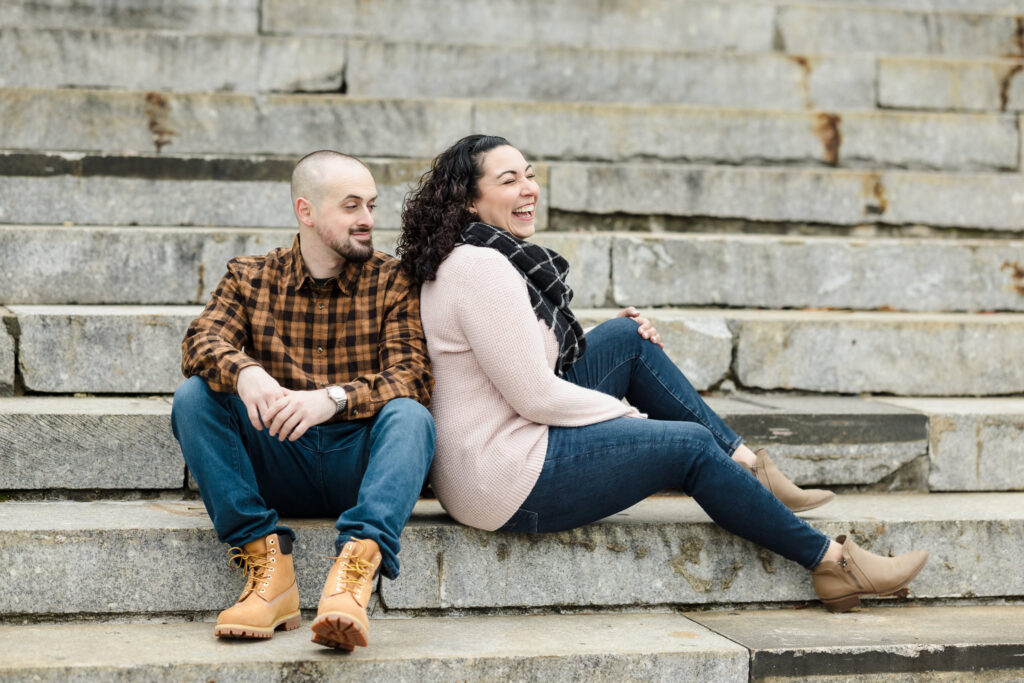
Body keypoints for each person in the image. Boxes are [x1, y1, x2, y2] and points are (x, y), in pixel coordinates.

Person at [397, 134, 928, 613]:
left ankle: (749, 467)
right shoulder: (482, 267)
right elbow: (536, 395)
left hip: (498, 452)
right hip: (503, 479)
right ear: (468, 200)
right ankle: (833, 564)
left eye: (530, 173)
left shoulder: (479, 255)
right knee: (689, 445)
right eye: (508, 180)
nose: (528, 188)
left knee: (626, 340)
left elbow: (526, 364)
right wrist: (624, 415)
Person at [172, 150, 434, 650]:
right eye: (351, 206)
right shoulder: (250, 276)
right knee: (194, 397)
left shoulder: (392, 279)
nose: (367, 221)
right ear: (306, 211)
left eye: (372, 206)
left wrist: (331, 400)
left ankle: (353, 574)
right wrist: (247, 372)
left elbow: (413, 374)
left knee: (411, 414)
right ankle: (269, 570)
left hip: (360, 465)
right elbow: (200, 343)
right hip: (278, 457)